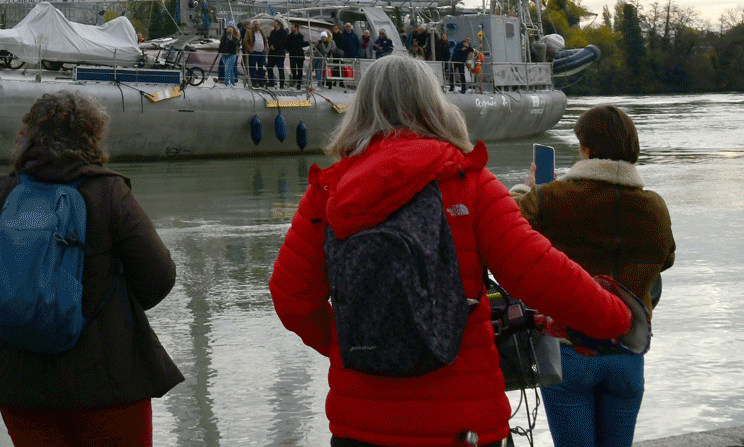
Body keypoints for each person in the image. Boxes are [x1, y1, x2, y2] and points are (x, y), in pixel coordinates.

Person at [269, 55, 633, 447]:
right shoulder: (466, 179)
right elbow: (538, 271)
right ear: (433, 103)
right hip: (462, 427)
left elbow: (290, 300)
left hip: (362, 426)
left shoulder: (327, 191)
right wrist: (617, 318)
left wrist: (355, 347)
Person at [0, 91, 183, 446]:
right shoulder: (109, 193)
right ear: (92, 137)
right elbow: (159, 277)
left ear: (28, 135)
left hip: (18, 380)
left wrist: (28, 306)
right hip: (108, 382)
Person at [514, 106, 676, 447]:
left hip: (570, 350)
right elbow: (666, 259)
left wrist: (531, 190)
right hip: (628, 353)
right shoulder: (653, 206)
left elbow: (510, 235)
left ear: (586, 149)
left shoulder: (550, 199)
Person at [217, 20, 241, 85]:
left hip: (232, 54)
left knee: (233, 66)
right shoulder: (224, 37)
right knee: (221, 65)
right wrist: (220, 50)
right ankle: (221, 78)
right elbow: (222, 44)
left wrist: (231, 40)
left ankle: (234, 79)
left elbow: (236, 45)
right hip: (225, 53)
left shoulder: (235, 38)